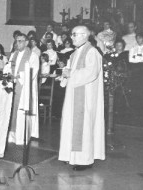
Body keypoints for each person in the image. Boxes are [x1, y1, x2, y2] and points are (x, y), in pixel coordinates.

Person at [58, 26, 105, 171]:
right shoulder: (73, 54)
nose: (71, 37)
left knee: (83, 126)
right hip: (73, 96)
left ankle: (85, 160)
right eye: (72, 34)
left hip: (85, 97)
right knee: (70, 123)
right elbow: (70, 73)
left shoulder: (92, 52)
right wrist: (64, 75)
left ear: (84, 35)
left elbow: (91, 73)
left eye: (74, 35)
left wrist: (71, 73)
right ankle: (71, 156)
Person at [7, 33, 39, 145]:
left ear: (26, 42)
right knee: (11, 109)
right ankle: (11, 134)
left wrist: (18, 76)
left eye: (20, 41)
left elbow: (33, 72)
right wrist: (7, 73)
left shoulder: (33, 56)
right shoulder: (13, 55)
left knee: (20, 111)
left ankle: (22, 136)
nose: (17, 43)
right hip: (13, 85)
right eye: (16, 41)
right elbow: (8, 68)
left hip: (24, 87)